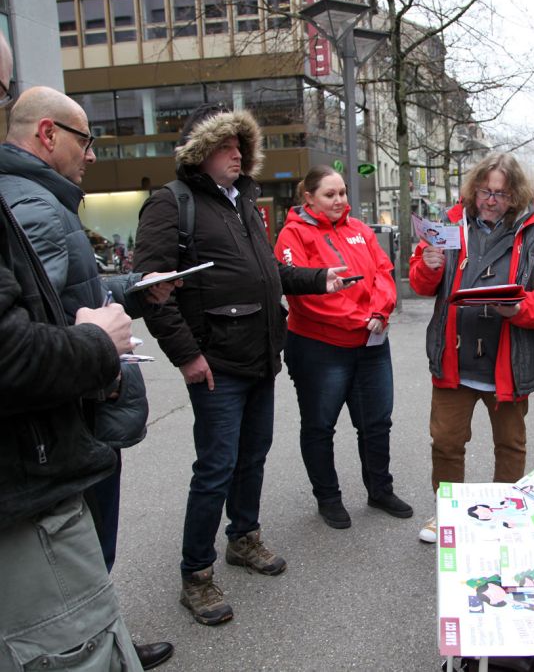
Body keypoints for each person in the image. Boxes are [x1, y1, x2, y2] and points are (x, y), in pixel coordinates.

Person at [133, 104, 346, 626]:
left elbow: (267, 271)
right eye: (226, 147)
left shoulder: (243, 202)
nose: (237, 155)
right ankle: (197, 575)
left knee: (253, 457)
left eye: (241, 147)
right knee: (215, 469)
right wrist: (186, 356)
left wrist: (317, 279)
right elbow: (152, 291)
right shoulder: (170, 204)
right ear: (201, 152)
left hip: (259, 357)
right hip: (216, 364)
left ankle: (243, 539)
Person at [0, 86, 176, 668]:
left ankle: (109, 634)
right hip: (68, 425)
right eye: (87, 140)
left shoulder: (42, 201)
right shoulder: (34, 205)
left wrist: (130, 292)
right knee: (77, 571)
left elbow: (67, 300)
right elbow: (34, 334)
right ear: (48, 134)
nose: (93, 155)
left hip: (72, 418)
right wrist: (97, 345)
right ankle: (101, 638)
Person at [410, 152, 534, 543]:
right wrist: (429, 265)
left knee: (510, 445)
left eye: (500, 194)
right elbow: (420, 284)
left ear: (515, 195)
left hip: (509, 362)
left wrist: (521, 308)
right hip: (455, 359)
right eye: (485, 191)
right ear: (474, 189)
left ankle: (505, 514)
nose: (490, 200)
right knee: (447, 443)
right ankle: (447, 513)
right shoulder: (449, 225)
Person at [274, 165, 412, 529]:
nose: (339, 201)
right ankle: (328, 498)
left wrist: (380, 311)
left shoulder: (359, 230)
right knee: (320, 426)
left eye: (342, 193)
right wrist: (358, 318)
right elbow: (304, 295)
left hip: (371, 342)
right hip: (321, 349)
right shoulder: (292, 236)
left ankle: (379, 490)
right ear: (309, 197)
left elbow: (384, 271)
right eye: (329, 195)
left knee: (377, 423)